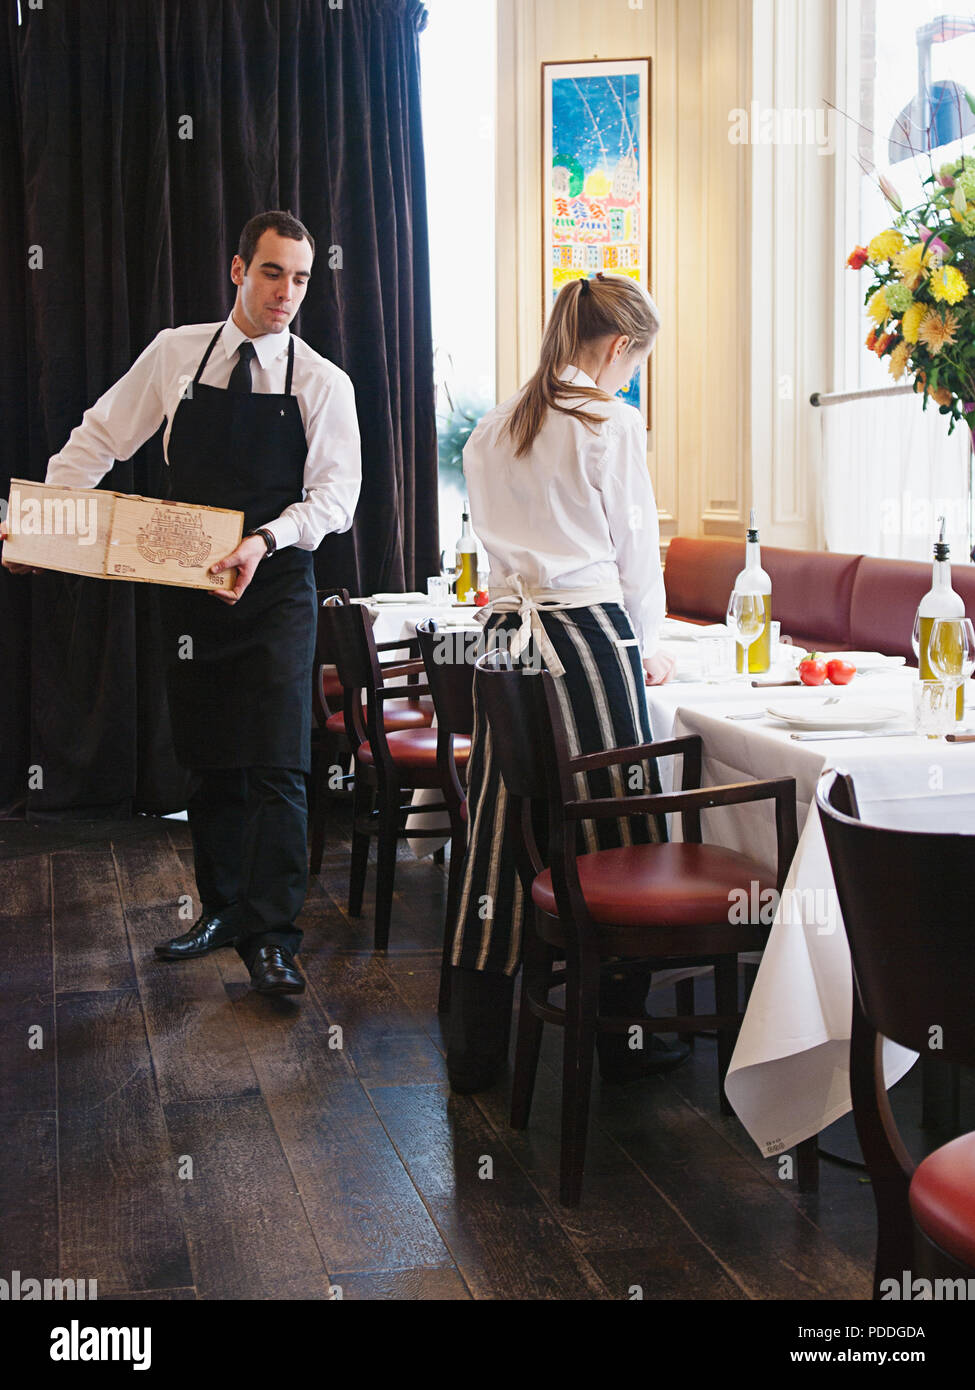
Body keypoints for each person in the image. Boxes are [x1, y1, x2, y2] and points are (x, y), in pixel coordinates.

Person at [2, 210, 361, 998]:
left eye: (300, 279)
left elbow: (335, 499)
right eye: (272, 273)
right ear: (239, 270)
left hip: (271, 591)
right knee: (207, 760)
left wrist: (262, 541)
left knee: (275, 765)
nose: (286, 294)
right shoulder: (174, 353)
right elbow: (99, 439)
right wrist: (43, 530)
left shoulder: (320, 381)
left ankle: (272, 936)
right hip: (191, 592)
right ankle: (222, 911)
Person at [447, 271, 683, 1092]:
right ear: (618, 346)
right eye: (633, 363)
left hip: (506, 638)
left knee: (499, 831)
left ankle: (475, 1044)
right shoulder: (608, 424)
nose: (629, 380)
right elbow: (633, 550)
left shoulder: (494, 427)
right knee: (612, 824)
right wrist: (650, 646)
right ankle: (617, 1033)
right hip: (585, 634)